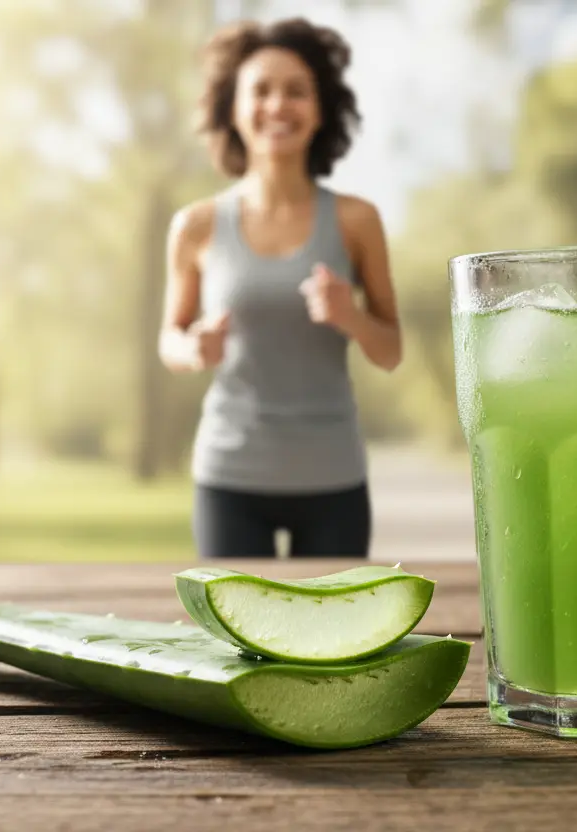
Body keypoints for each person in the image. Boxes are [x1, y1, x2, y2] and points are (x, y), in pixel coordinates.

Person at [158, 17, 402, 559]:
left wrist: (352, 317)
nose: (278, 105)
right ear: (233, 108)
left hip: (333, 477)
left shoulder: (357, 221)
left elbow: (390, 350)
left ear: (321, 109)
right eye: (260, 91)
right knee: (235, 642)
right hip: (230, 476)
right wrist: (194, 346)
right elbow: (169, 341)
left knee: (338, 640)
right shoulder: (195, 225)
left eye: (297, 91)